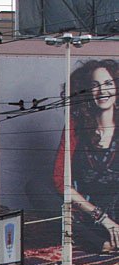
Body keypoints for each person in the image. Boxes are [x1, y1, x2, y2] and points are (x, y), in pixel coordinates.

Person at [53, 59, 119, 254]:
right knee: (36, 187)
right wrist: (102, 217)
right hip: (88, 212)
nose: (102, 91)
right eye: (94, 85)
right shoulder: (75, 127)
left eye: (108, 84)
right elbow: (60, 181)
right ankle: (102, 244)